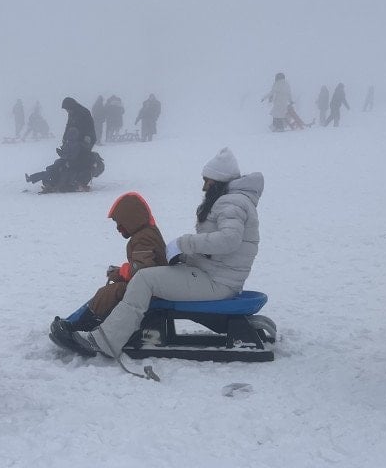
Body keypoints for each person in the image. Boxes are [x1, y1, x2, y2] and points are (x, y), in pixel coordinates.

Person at [60, 147, 262, 358]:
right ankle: (115, 330)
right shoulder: (233, 201)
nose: (204, 187)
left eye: (207, 181)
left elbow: (229, 240)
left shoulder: (232, 202)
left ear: (218, 180)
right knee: (150, 276)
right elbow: (218, 251)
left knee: (144, 279)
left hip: (217, 282)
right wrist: (183, 257)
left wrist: (185, 243)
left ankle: (106, 341)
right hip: (215, 277)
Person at [54, 192, 168, 331]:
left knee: (111, 292)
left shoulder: (144, 237)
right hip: (153, 286)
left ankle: (80, 326)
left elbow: (142, 271)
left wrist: (120, 272)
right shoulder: (146, 233)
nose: (118, 228)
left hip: (152, 290)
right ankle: (75, 320)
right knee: (108, 291)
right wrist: (121, 272)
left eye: (119, 223)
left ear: (130, 219)